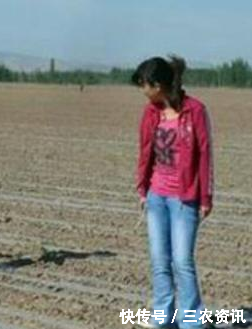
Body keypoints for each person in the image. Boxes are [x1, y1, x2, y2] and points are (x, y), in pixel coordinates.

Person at [133, 56, 214, 329]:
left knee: (182, 262)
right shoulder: (150, 113)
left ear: (158, 85)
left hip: (184, 198)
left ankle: (191, 322)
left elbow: (204, 155)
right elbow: (145, 152)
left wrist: (206, 197)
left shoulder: (195, 111)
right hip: (157, 196)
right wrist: (143, 188)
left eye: (144, 85)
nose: (143, 91)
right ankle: (162, 319)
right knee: (159, 261)